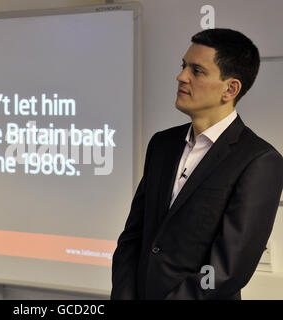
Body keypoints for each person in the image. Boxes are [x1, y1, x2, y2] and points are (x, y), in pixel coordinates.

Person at [111, 29, 283, 300]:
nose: (181, 76)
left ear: (230, 88)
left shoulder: (259, 161)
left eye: (197, 71)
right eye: (183, 66)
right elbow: (133, 237)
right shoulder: (162, 144)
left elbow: (227, 269)